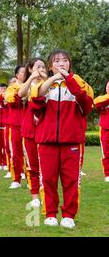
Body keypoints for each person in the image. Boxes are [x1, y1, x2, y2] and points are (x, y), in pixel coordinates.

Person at [31, 49, 93, 228]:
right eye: (56, 61)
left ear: (70, 64)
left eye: (65, 60)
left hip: (72, 142)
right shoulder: (43, 84)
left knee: (71, 181)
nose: (61, 63)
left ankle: (69, 215)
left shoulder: (78, 83)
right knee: (48, 180)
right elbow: (36, 102)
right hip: (47, 141)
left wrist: (68, 79)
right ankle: (50, 213)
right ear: (50, 66)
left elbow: (87, 104)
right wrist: (53, 79)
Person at [18, 58, 48, 208]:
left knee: (46, 167)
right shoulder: (29, 85)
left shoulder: (49, 84)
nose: (41, 68)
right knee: (32, 166)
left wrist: (46, 79)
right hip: (29, 131)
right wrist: (32, 78)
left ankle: (46, 195)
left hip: (45, 132)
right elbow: (20, 94)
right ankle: (35, 195)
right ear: (30, 69)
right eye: (37, 66)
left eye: (43, 66)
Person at [4, 66, 27, 189]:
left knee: (29, 154)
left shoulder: (33, 86)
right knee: (15, 153)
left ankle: (31, 180)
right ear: (17, 75)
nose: (25, 74)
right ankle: (16, 179)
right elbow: (10, 100)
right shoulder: (11, 88)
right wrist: (20, 95)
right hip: (15, 125)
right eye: (22, 72)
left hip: (29, 125)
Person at [93, 81, 109, 182]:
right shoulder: (101, 99)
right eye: (108, 86)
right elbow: (95, 103)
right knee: (106, 153)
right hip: (105, 130)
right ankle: (108, 175)